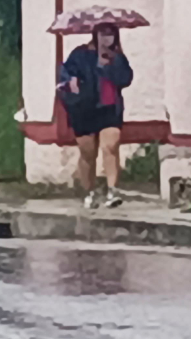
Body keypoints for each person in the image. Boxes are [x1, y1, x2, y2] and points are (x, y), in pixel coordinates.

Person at [57, 22, 134, 209]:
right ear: (95, 35)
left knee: (111, 146)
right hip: (85, 109)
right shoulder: (81, 54)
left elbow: (126, 79)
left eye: (110, 35)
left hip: (109, 109)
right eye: (102, 34)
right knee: (88, 154)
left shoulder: (117, 57)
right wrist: (72, 81)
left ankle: (112, 191)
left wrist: (108, 66)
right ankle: (89, 191)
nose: (106, 39)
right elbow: (66, 73)